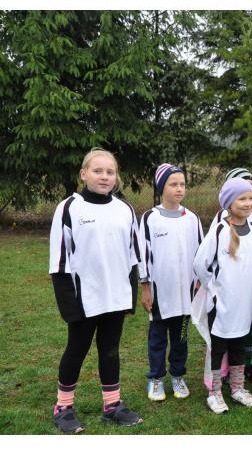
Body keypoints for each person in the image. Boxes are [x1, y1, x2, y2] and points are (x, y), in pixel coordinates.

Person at [49, 147, 143, 433]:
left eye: (110, 172)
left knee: (110, 350)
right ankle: (63, 407)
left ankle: (112, 405)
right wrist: (69, 306)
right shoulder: (69, 208)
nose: (104, 177)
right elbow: (59, 263)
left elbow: (132, 257)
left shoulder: (124, 209)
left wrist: (130, 298)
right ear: (83, 174)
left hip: (115, 298)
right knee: (76, 351)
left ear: (116, 177)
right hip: (84, 300)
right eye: (97, 171)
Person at [192, 178, 252, 414]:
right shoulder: (219, 230)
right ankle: (214, 392)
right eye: (242, 198)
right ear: (229, 203)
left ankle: (237, 388)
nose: (248, 203)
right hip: (221, 304)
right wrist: (214, 288)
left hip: (245, 303)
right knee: (218, 346)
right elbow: (200, 263)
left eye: (251, 198)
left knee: (239, 344)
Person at [139, 163, 203, 401]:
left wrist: (200, 282)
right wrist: (145, 287)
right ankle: (156, 378)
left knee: (181, 339)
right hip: (160, 295)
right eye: (173, 184)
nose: (179, 189)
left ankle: (178, 375)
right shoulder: (150, 218)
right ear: (161, 187)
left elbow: (201, 253)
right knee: (157, 339)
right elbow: (143, 256)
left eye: (182, 184)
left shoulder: (192, 219)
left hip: (185, 296)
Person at [210, 168, 252, 384]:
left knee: (247, 326)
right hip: (227, 288)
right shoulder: (221, 220)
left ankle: (246, 365)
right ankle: (222, 372)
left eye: (251, 183)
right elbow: (208, 257)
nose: (249, 188)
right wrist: (214, 284)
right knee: (224, 329)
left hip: (248, 286)